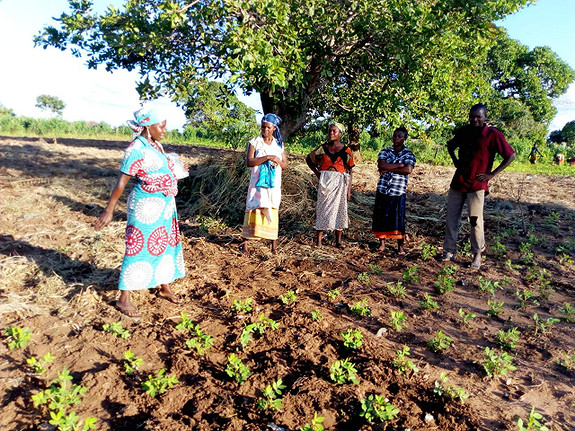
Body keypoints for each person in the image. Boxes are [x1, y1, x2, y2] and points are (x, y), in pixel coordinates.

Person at [95, 104, 187, 317]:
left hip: (164, 206)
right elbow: (121, 182)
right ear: (147, 125)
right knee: (138, 245)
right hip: (145, 207)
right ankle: (123, 298)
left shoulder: (156, 145)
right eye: (161, 126)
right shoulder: (135, 148)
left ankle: (164, 287)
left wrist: (178, 171)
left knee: (163, 244)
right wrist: (109, 210)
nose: (164, 130)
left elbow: (161, 169)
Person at [443, 103, 516, 269]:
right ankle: (449, 251)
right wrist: (455, 160)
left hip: (477, 184)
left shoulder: (492, 134)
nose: (475, 119)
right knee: (451, 218)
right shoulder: (464, 131)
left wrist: (491, 174)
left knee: (475, 221)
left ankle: (477, 254)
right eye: (472, 116)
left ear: (485, 118)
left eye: (478, 117)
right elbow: (450, 145)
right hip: (458, 181)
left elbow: (511, 155)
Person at [241, 113, 288, 255]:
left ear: (274, 128)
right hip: (257, 184)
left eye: (268, 127)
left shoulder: (279, 144)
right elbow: (250, 162)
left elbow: (285, 164)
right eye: (263, 127)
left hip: (273, 184)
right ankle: (245, 244)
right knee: (254, 206)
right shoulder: (255, 142)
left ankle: (273, 245)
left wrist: (277, 161)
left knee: (272, 208)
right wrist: (267, 157)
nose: (265, 130)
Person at [306, 122, 355, 248]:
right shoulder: (322, 148)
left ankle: (338, 241)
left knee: (340, 208)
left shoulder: (346, 150)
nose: (331, 133)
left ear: (340, 134)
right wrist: (318, 173)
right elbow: (309, 159)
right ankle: (319, 241)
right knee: (322, 208)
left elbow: (350, 170)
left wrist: (348, 189)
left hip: (340, 182)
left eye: (334, 131)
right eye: (330, 131)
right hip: (325, 181)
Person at [372, 127, 416, 255]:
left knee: (398, 217)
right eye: (394, 136)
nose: (396, 139)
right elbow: (381, 165)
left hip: (398, 189)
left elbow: (408, 170)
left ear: (405, 138)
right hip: (383, 188)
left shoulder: (409, 154)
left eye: (399, 136)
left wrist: (389, 168)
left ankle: (400, 247)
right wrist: (399, 165)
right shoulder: (385, 151)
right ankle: (382, 245)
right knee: (381, 216)